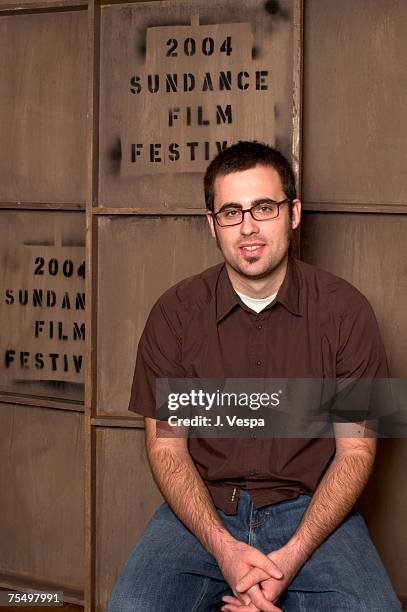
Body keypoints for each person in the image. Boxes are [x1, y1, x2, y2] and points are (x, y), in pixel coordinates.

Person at [108, 141, 401, 612]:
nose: (248, 227)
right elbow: (167, 448)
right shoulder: (175, 314)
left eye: (264, 208)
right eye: (230, 212)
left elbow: (356, 451)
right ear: (212, 225)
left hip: (312, 512)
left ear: (293, 213)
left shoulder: (347, 312)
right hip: (204, 512)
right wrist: (226, 550)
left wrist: (288, 558)